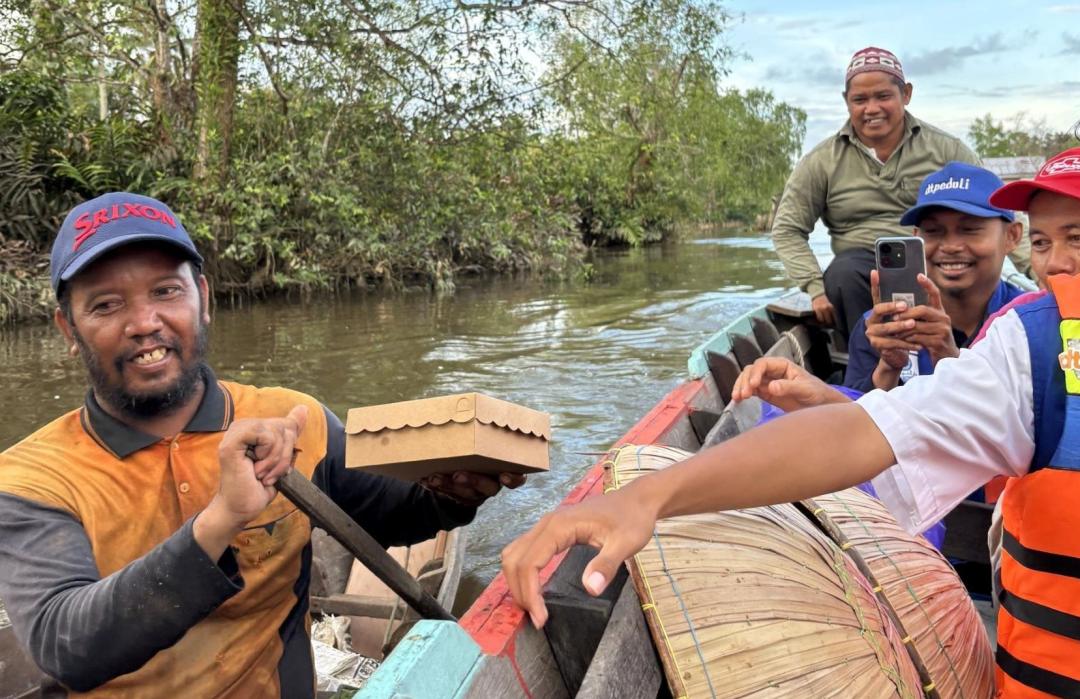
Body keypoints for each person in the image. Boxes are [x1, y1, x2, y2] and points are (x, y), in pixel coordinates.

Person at [503, 148, 1080, 697]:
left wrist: (946, 359)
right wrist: (874, 373)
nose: (1058, 262)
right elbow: (872, 425)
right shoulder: (1028, 347)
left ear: (1006, 238)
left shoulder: (1019, 334)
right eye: (1047, 240)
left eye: (1076, 238)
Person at [0, 193, 526, 697]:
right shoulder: (31, 476)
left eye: (166, 291)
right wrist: (221, 519)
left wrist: (455, 490)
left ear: (202, 299)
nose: (144, 323)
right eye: (107, 304)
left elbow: (389, 515)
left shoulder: (291, 418)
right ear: (68, 328)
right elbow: (65, 645)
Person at [770, 46, 1030, 339]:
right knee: (843, 274)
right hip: (863, 272)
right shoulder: (821, 161)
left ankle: (964, 354)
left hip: (933, 258)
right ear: (847, 102)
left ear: (905, 94)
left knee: (959, 267)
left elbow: (999, 208)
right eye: (860, 100)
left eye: (883, 96)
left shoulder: (946, 149)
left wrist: (1036, 269)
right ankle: (871, 363)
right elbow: (787, 228)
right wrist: (815, 288)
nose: (871, 109)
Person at [843, 162, 1026, 393]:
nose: (950, 246)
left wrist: (949, 360)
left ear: (1012, 236)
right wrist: (888, 367)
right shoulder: (880, 327)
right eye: (933, 231)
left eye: (969, 229)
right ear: (916, 239)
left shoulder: (1028, 324)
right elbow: (852, 418)